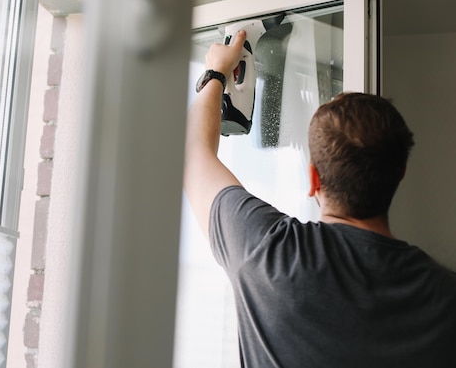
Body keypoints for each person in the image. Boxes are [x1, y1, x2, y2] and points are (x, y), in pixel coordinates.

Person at [183, 29, 456, 368]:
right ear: (399, 174)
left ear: (313, 180)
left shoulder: (269, 252)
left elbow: (194, 154)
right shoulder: (445, 296)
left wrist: (215, 73)